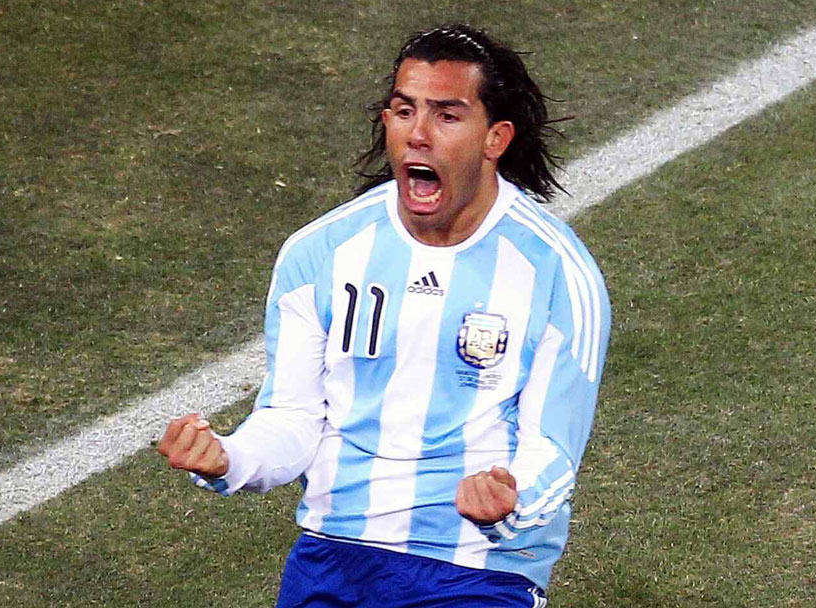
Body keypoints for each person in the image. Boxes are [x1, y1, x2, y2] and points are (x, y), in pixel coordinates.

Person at [158, 24, 610, 607]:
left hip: (476, 568)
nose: (417, 135)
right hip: (333, 555)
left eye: (446, 115)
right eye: (403, 111)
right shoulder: (321, 252)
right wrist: (230, 457)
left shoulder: (556, 272)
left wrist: (510, 496)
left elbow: (553, 445)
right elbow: (294, 416)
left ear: (494, 138)